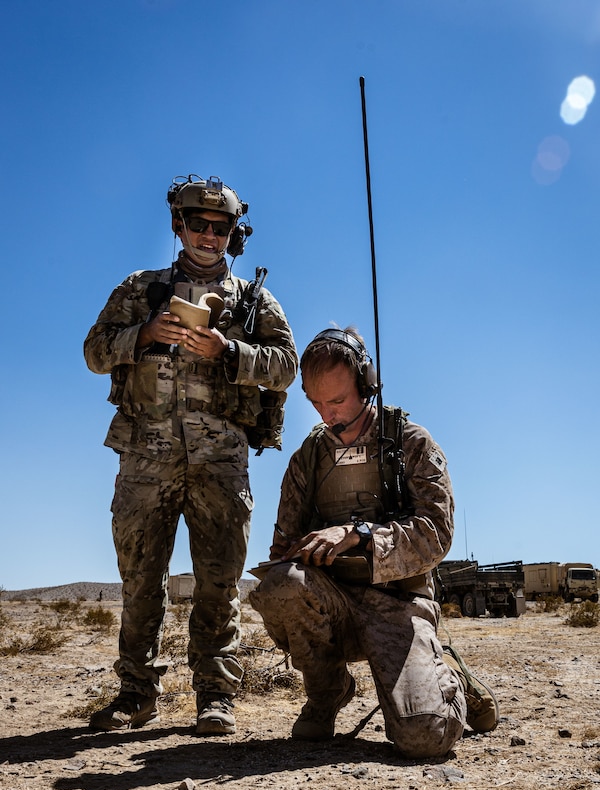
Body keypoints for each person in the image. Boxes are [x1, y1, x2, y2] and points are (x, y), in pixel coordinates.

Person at [84, 174, 297, 736]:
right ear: (177, 225)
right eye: (197, 224)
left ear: (233, 233)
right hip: (143, 459)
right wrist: (147, 334)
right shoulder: (140, 289)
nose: (208, 234)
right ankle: (135, 693)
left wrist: (230, 349)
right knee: (139, 579)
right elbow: (94, 352)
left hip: (220, 462)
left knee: (218, 581)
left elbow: (287, 366)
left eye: (219, 227)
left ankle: (214, 697)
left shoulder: (252, 301)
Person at [249, 327, 498, 758]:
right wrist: (299, 556)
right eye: (316, 403)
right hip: (333, 606)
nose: (327, 415)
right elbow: (282, 549)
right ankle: (328, 692)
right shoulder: (307, 459)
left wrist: (359, 536)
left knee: (424, 737)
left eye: (338, 401)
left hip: (398, 606)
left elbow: (436, 532)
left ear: (367, 385)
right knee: (280, 584)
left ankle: (449, 673)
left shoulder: (410, 443)